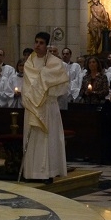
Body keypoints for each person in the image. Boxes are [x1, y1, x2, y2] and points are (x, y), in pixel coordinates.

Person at [21, 31, 70, 182]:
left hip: (48, 106)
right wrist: (43, 77)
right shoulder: (30, 60)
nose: (37, 45)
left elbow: (61, 84)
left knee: (48, 139)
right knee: (34, 138)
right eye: (36, 42)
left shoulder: (54, 62)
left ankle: (47, 172)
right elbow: (28, 82)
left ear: (47, 45)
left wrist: (45, 75)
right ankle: (31, 172)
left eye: (41, 43)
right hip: (33, 106)